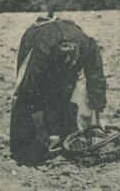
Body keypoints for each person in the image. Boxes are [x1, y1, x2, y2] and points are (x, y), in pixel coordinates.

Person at [9, 14, 107, 165]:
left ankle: (73, 135)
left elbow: (96, 80)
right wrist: (42, 133)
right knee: (26, 96)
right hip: (38, 39)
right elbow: (31, 89)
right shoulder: (40, 53)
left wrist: (101, 118)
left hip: (64, 39)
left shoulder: (87, 44)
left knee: (75, 97)